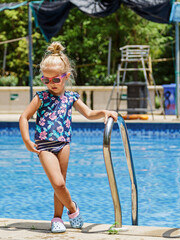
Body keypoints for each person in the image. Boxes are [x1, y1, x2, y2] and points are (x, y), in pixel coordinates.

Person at [19, 42, 118, 233]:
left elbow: (89, 113)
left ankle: (57, 218)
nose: (50, 84)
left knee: (61, 183)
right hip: (44, 146)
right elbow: (24, 117)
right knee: (58, 183)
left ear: (66, 77)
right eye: (45, 80)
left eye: (55, 79)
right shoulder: (41, 97)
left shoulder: (71, 97)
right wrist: (26, 140)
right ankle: (73, 209)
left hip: (64, 144)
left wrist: (104, 112)